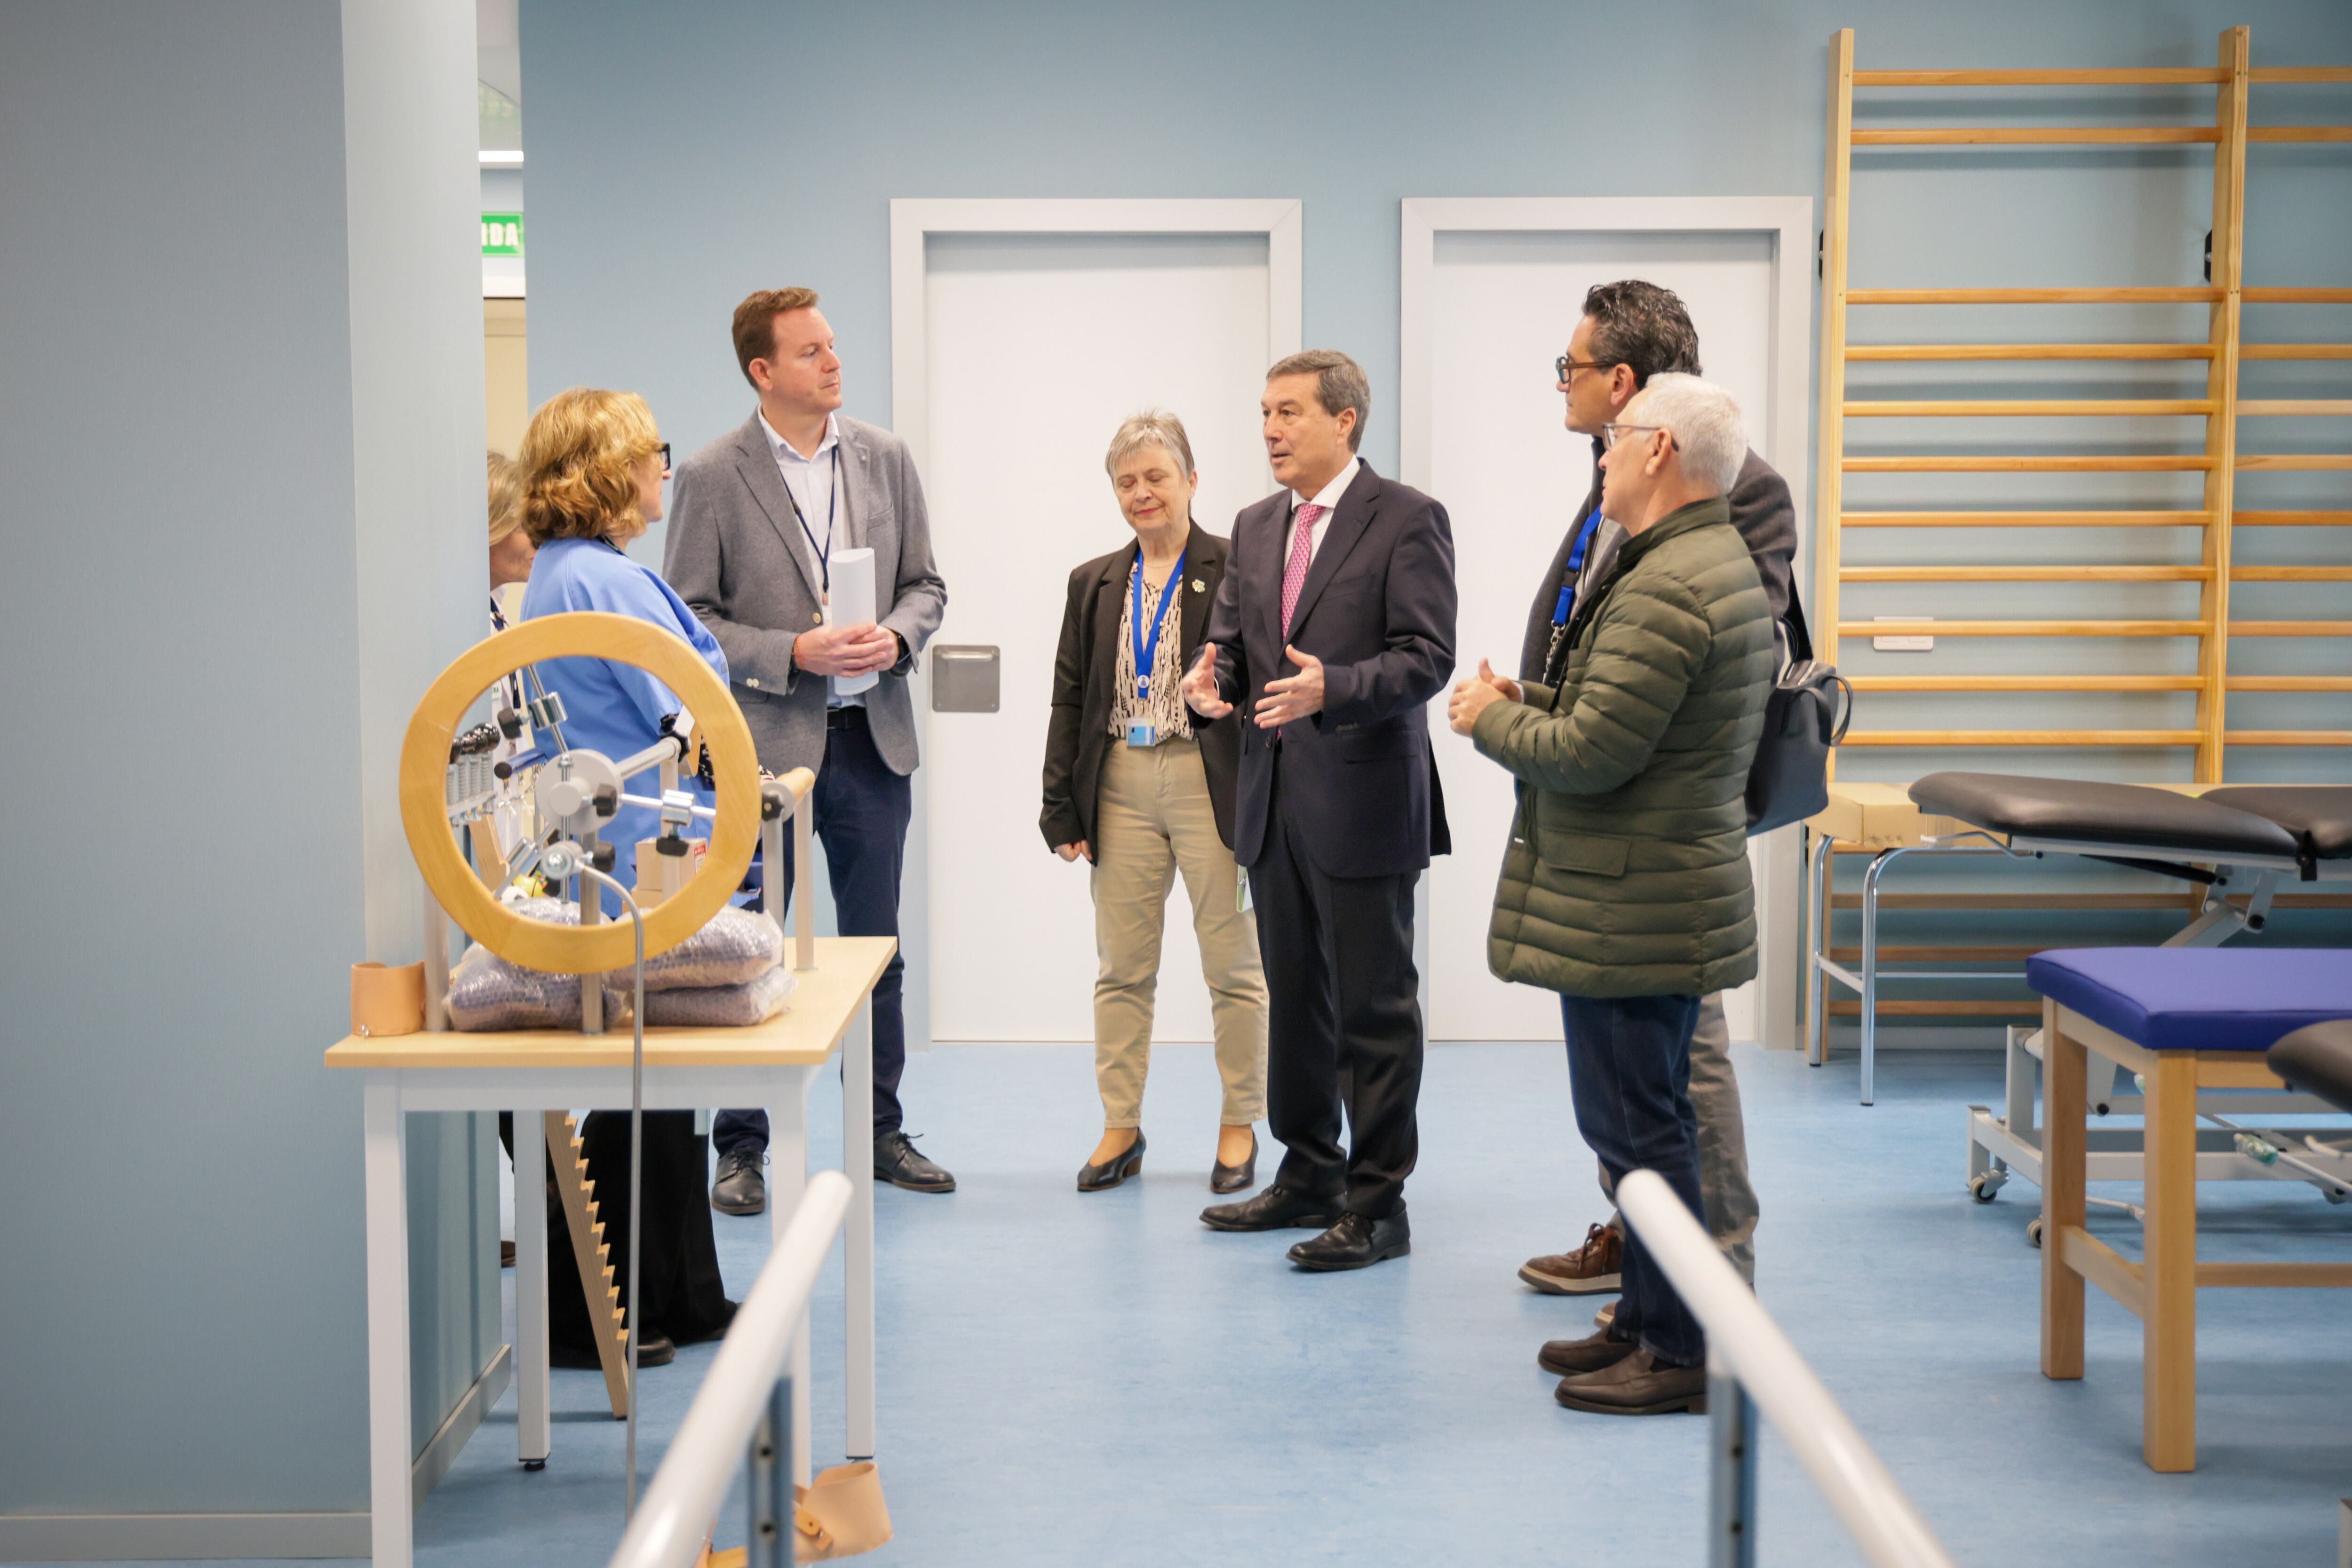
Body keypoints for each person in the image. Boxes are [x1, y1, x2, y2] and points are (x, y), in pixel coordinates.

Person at [1449, 373, 1773, 1416]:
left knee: (1642, 1133)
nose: (1601, 453)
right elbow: (1620, 715)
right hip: (1642, 892)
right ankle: (1642, 1318)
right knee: (1637, 1128)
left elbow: (1590, 752)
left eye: (1616, 437)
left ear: (1660, 450)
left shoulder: (1672, 582)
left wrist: (1487, 721)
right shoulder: (1685, 564)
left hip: (1635, 902)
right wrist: (1526, 696)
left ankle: (1676, 1350)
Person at [1515, 280, 1793, 1305]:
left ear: (1622, 381)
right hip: (1599, 811)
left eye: (1573, 368)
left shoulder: (1731, 486)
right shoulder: (1618, 468)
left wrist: (1564, 727)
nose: (1564, 385)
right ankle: (1645, 1247)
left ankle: (1713, 1275)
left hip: (1661, 824)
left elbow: (1714, 654)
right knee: (1628, 1068)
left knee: (1686, 1056)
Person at [665, 287, 952, 1208]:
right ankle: (740, 1148)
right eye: (811, 351)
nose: (833, 363)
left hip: (872, 743)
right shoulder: (712, 475)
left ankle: (878, 1130)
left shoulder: (885, 457)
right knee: (748, 948)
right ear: (763, 370)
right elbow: (690, 621)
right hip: (762, 754)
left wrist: (899, 637)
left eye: (833, 346)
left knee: (877, 949)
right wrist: (793, 650)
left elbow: (927, 584)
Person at [1181, 350, 1456, 1272]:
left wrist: (1331, 687)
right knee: (1295, 999)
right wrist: (1206, 675)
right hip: (1273, 797)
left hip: (1367, 796)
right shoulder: (1254, 524)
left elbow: (1426, 656)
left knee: (1373, 1008)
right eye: (1264, 411)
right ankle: (1309, 1172)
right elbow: (1230, 637)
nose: (1269, 429)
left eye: (1289, 412)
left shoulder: (1408, 518)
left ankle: (1379, 1205)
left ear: (1344, 420)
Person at [516, 386, 738, 1365]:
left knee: (659, 1085)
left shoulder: (571, 573)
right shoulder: (600, 582)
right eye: (654, 451)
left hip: (628, 849)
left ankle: (682, 1293)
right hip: (642, 859)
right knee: (636, 1081)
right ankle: (619, 1307)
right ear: (609, 468)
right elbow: (690, 714)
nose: (667, 468)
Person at [1041, 411, 1267, 1194]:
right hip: (1121, 785)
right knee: (1122, 969)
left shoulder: (1238, 566)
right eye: (1126, 481)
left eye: (1156, 477)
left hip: (1210, 778)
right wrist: (1059, 807)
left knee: (1234, 963)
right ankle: (1120, 1126)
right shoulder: (1095, 581)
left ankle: (1240, 1121)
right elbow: (1070, 698)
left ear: (1191, 481)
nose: (1142, 493)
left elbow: (1261, 681)